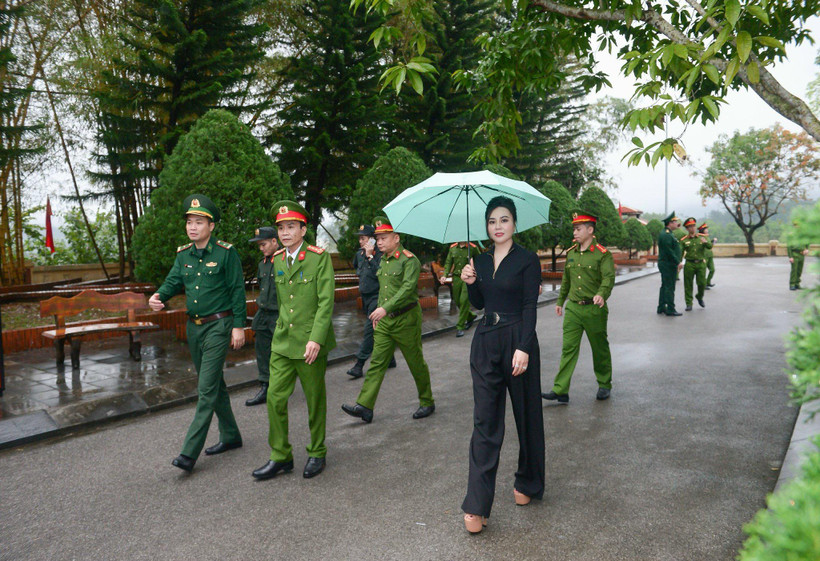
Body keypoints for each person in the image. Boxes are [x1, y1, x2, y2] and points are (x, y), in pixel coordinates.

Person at [459, 196, 544, 534]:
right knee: (485, 423)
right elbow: (480, 303)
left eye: (504, 220)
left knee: (527, 417)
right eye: (492, 221)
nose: (498, 226)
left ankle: (528, 481)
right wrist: (470, 284)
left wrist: (523, 347)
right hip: (486, 341)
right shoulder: (478, 260)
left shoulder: (527, 260)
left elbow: (529, 306)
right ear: (487, 226)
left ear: (514, 224)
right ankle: (476, 504)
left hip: (517, 338)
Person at [149, 194, 246, 473]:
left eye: (199, 222)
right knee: (216, 385)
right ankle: (231, 436)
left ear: (211, 226)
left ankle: (189, 453)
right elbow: (172, 281)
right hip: (194, 328)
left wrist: (238, 326)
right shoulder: (183, 255)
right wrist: (158, 296)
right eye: (189, 222)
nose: (193, 227)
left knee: (205, 389)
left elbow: (237, 291)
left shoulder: (226, 253)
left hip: (219, 326)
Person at [252, 200, 336, 480]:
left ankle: (317, 451)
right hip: (283, 342)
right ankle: (280, 456)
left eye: (291, 227)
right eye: (281, 228)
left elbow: (325, 302)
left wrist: (317, 339)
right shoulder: (276, 259)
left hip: (310, 343)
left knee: (314, 400)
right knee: (275, 399)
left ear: (303, 229)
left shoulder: (318, 257)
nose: (285, 232)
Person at [341, 216, 435, 424]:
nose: (379, 242)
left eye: (383, 238)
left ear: (396, 238)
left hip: (406, 320)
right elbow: (383, 289)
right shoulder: (381, 259)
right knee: (377, 363)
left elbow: (407, 289)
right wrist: (379, 313)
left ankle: (427, 401)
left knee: (415, 362)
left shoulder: (409, 260)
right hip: (385, 321)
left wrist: (384, 308)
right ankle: (365, 406)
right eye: (377, 238)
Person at [542, 211, 614, 405]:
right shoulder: (572, 252)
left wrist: (602, 294)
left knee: (599, 348)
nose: (575, 232)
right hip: (574, 308)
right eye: (574, 229)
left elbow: (608, 277)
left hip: (594, 309)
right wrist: (560, 301)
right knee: (568, 349)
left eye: (578, 229)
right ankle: (560, 390)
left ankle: (604, 383)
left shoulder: (602, 254)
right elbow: (566, 280)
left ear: (590, 230)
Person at [346, 224, 396, 378]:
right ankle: (390, 359)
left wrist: (370, 257)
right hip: (366, 297)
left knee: (369, 329)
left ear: (373, 240)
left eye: (364, 238)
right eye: (360, 239)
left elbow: (381, 274)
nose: (361, 241)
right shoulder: (359, 254)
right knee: (377, 329)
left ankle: (359, 364)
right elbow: (357, 269)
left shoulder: (381, 255)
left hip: (378, 297)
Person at [245, 227, 280, 406]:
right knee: (262, 350)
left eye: (263, 244)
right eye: (259, 245)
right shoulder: (263, 263)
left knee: (281, 352)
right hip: (264, 313)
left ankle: (281, 386)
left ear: (275, 241)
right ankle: (265, 386)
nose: (261, 248)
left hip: (279, 315)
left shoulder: (284, 261)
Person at [440, 241, 479, 337]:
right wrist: (444, 275)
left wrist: (475, 273)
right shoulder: (453, 248)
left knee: (464, 301)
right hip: (456, 278)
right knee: (457, 300)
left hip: (467, 278)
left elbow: (479, 262)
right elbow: (448, 263)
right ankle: (470, 316)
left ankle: (460, 327)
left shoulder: (473, 248)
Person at [679, 217, 712, 311]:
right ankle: (689, 303)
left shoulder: (702, 237)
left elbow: (710, 246)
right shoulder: (684, 240)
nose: (692, 228)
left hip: (701, 263)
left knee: (702, 283)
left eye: (693, 226)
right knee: (688, 284)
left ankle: (699, 296)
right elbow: (680, 252)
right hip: (689, 263)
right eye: (690, 227)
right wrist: (679, 262)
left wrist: (705, 243)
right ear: (687, 229)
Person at [657, 212, 683, 316]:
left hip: (666, 263)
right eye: (675, 221)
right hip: (668, 264)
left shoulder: (668, 233)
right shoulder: (667, 235)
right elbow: (669, 251)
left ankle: (661, 307)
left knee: (665, 286)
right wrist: (677, 262)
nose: (677, 223)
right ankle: (670, 309)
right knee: (669, 287)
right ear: (670, 223)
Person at [788, 222, 810, 291]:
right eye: (796, 225)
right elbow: (788, 247)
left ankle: (797, 284)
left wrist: (807, 249)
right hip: (795, 254)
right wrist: (790, 256)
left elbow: (807, 243)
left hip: (802, 255)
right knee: (794, 270)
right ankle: (792, 284)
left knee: (799, 270)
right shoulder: (791, 235)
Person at [698, 223, 716, 288]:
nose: (707, 230)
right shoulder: (700, 237)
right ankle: (704, 284)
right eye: (706, 229)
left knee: (712, 269)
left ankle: (708, 282)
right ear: (702, 230)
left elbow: (709, 244)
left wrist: (713, 241)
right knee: (703, 271)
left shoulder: (706, 236)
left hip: (710, 255)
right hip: (704, 256)